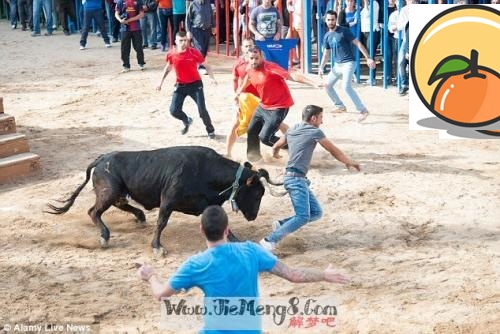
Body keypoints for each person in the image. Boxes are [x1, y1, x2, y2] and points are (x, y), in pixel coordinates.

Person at [137, 205, 350, 331]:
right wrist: (324, 275)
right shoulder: (251, 251)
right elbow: (293, 275)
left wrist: (151, 276)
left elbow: (161, 295)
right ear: (227, 230)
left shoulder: (196, 264)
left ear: (201, 230)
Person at [259, 105, 360, 252]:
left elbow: (276, 146)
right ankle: (269, 240)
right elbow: (333, 150)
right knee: (303, 216)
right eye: (320, 118)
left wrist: (275, 154)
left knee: (316, 213)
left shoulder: (292, 129)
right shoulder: (315, 131)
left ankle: (282, 225)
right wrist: (348, 162)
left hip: (294, 178)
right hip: (296, 180)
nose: (321, 122)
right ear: (313, 118)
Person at [235, 45, 321, 162]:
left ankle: (297, 147)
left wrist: (313, 83)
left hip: (279, 106)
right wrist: (240, 89)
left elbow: (292, 76)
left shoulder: (270, 68)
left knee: (265, 138)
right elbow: (248, 77)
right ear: (247, 58)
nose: (254, 61)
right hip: (263, 105)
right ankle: (254, 158)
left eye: (256, 58)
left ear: (261, 57)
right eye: (251, 58)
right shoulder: (249, 68)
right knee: (251, 130)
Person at [227, 38, 289, 157]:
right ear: (242, 48)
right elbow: (238, 80)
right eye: (245, 46)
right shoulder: (240, 64)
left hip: (261, 100)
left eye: (250, 46)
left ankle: (294, 142)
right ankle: (230, 153)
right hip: (246, 100)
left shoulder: (262, 64)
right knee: (238, 124)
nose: (248, 48)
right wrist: (237, 94)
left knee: (278, 125)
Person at [156, 31, 216, 139]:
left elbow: (208, 66)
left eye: (185, 40)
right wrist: (160, 83)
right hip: (180, 86)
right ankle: (186, 120)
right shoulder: (171, 54)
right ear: (175, 41)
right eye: (180, 40)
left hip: (196, 85)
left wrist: (212, 78)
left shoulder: (194, 52)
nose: (183, 43)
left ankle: (210, 130)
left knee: (202, 111)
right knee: (173, 111)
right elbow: (168, 68)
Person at [319, 10, 375, 123]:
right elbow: (326, 53)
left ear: (336, 20)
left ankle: (363, 110)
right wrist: (321, 67)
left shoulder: (344, 31)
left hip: (349, 63)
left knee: (346, 86)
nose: (331, 22)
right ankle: (340, 106)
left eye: (333, 19)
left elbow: (358, 43)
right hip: (337, 65)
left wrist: (368, 58)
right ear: (326, 20)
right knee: (327, 86)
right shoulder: (327, 36)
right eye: (328, 20)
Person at [185, 0, 214, 74]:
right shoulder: (193, 4)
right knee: (200, 49)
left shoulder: (207, 3)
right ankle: (201, 66)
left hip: (207, 29)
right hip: (197, 30)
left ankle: (199, 63)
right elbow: (188, 19)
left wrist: (214, 26)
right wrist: (188, 31)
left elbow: (211, 14)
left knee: (204, 49)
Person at [115, 0, 145, 72]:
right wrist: (120, 20)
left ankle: (141, 63)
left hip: (136, 28)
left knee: (138, 47)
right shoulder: (121, 2)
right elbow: (116, 13)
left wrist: (130, 20)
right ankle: (126, 65)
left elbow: (141, 14)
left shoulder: (138, 1)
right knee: (124, 48)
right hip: (124, 29)